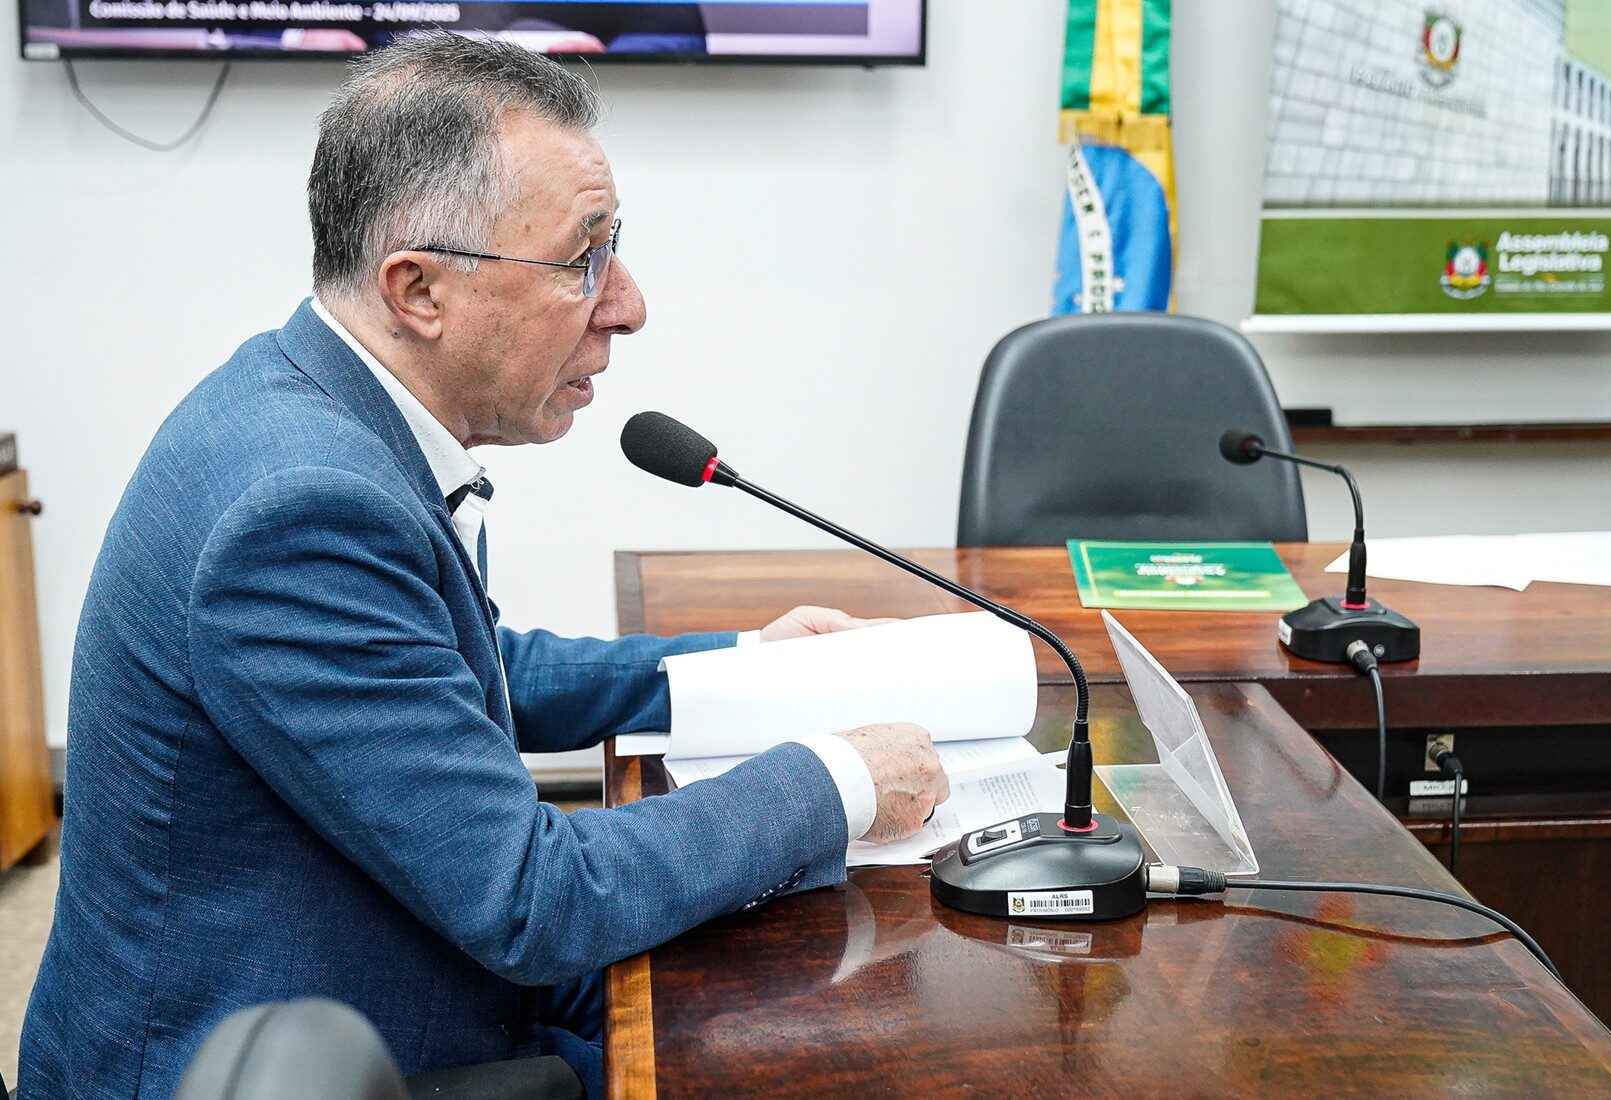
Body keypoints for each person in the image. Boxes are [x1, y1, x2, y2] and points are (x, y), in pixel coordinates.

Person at [19, 33, 948, 1100]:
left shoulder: (315, 401)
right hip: (288, 1057)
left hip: (394, 968)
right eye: (582, 258)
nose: (628, 303)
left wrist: (744, 663)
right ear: (418, 290)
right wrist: (838, 780)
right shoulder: (299, 510)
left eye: (615, 245)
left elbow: (453, 669)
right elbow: (532, 897)